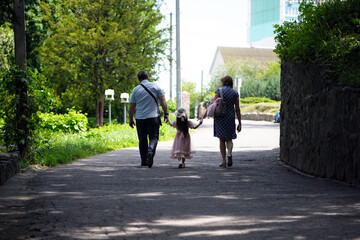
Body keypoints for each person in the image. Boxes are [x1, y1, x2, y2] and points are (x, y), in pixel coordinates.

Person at [129, 70, 170, 168]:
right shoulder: (155, 86)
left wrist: (130, 119)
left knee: (142, 139)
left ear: (139, 79)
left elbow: (132, 106)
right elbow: (162, 100)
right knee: (153, 137)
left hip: (140, 118)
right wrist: (166, 113)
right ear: (148, 77)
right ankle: (150, 150)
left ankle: (144, 161)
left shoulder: (135, 90)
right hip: (153, 117)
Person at [200, 75, 242, 167]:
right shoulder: (235, 93)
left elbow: (212, 104)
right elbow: (237, 109)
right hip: (230, 117)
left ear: (223, 82)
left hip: (220, 117)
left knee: (221, 139)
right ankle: (229, 154)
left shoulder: (219, 91)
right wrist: (239, 122)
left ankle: (224, 161)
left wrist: (203, 115)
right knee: (229, 138)